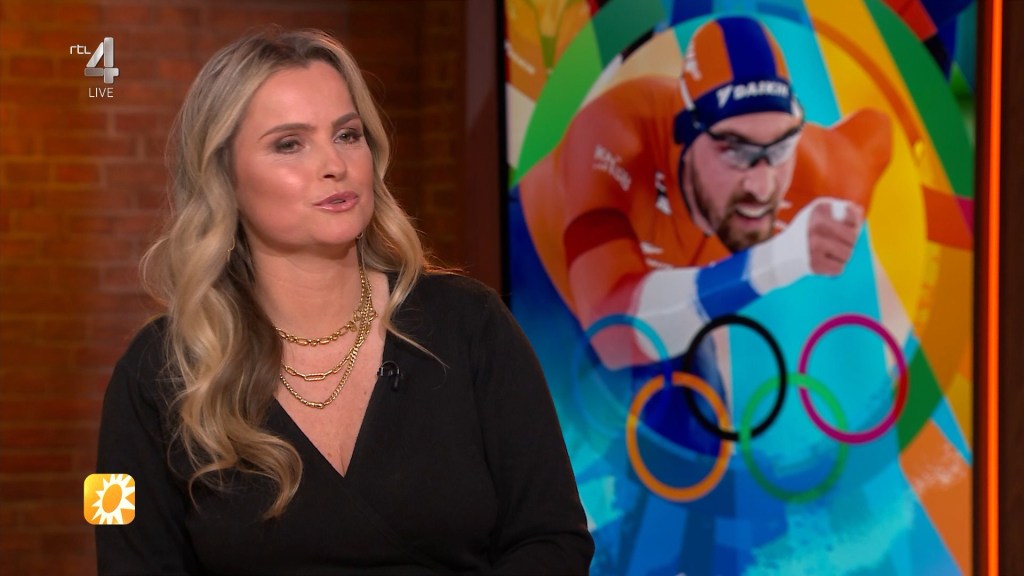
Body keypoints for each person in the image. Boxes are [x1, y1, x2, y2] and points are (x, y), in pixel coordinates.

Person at [94, 28, 594, 575]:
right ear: (225, 178)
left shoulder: (470, 323)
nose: (335, 163)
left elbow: (555, 538)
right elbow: (121, 551)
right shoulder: (151, 371)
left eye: (348, 135)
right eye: (290, 143)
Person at [518, 15, 893, 370]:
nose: (763, 187)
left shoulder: (820, 175)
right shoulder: (614, 135)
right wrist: (779, 259)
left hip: (667, 304)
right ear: (684, 135)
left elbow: (877, 134)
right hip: (541, 266)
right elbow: (611, 333)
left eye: (780, 149)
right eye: (734, 150)